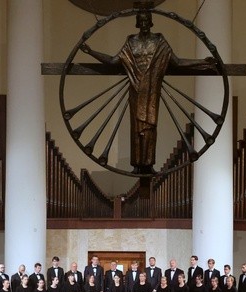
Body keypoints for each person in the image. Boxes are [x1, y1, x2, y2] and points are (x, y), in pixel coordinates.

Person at [81, 11, 217, 174]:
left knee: (150, 128)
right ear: (137, 23)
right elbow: (113, 61)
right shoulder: (131, 42)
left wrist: (202, 62)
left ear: (151, 23)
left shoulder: (159, 42)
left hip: (152, 92)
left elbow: (177, 62)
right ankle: (137, 165)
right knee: (136, 129)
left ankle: (148, 164)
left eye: (147, 20)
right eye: (141, 20)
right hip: (136, 92)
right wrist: (91, 52)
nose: (144, 23)